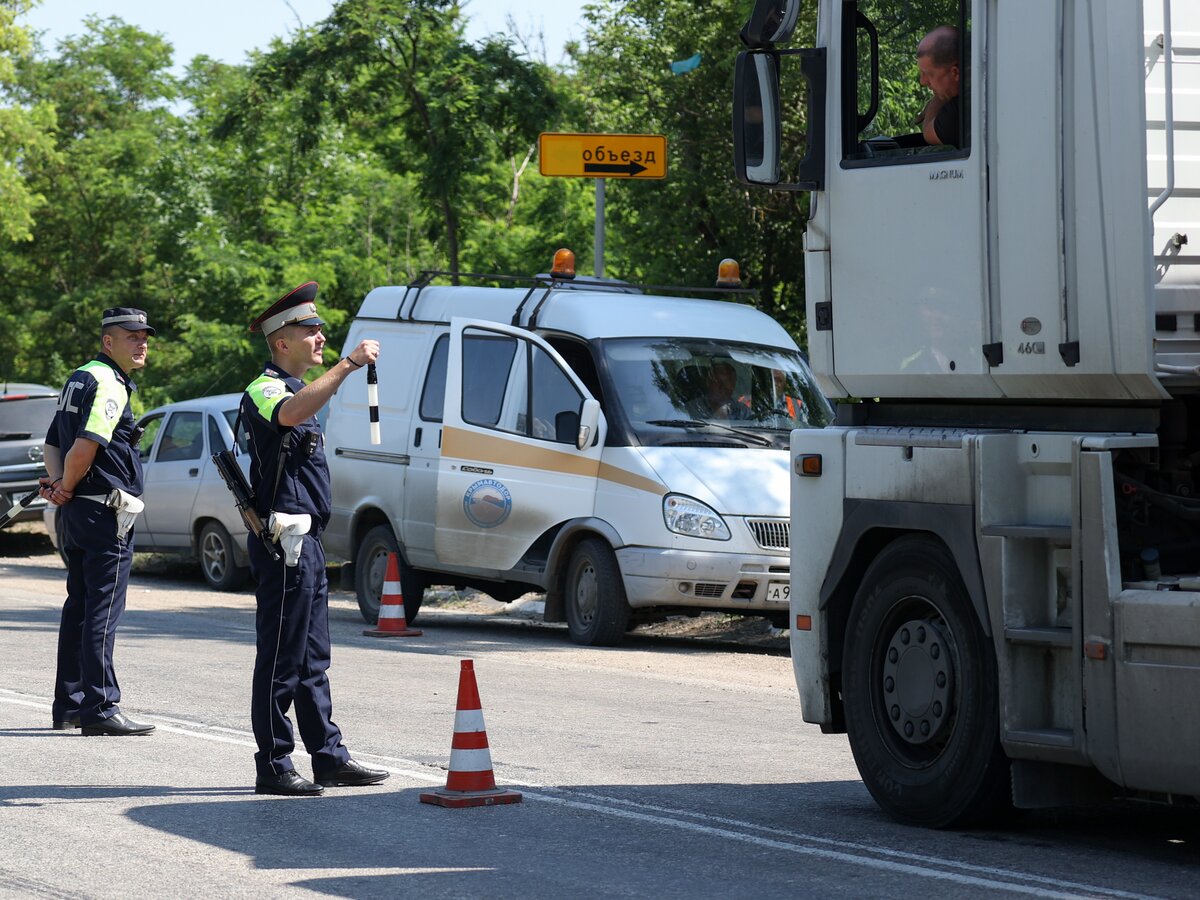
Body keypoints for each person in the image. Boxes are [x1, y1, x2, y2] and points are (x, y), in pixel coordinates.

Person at [242, 281, 388, 797]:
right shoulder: (264, 389)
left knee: (312, 659)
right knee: (281, 657)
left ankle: (328, 757)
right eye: (310, 329)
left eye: (321, 328)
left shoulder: (296, 390)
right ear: (281, 340)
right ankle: (274, 764)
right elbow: (291, 413)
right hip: (282, 544)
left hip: (307, 543)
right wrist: (348, 365)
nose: (320, 336)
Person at [42, 307, 156, 736]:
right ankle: (101, 707)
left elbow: (53, 441)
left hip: (77, 512)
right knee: (102, 612)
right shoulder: (108, 382)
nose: (142, 343)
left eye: (144, 336)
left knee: (79, 608)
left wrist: (59, 485)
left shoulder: (79, 375)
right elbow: (84, 447)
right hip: (104, 512)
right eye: (132, 336)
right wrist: (67, 483)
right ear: (109, 341)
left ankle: (69, 705)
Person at [916, 25, 962, 148]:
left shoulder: (961, 112)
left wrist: (937, 99)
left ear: (955, 73)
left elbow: (928, 133)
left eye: (928, 74)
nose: (923, 81)